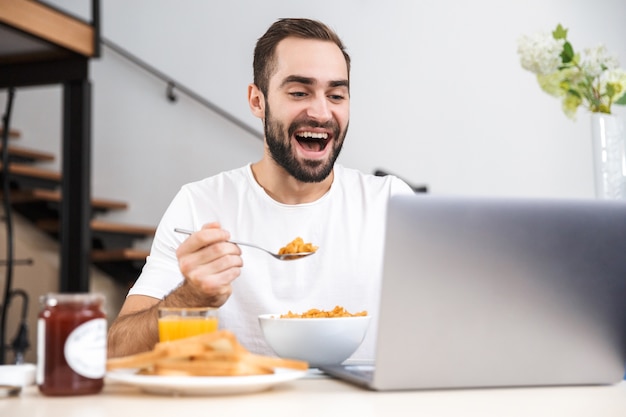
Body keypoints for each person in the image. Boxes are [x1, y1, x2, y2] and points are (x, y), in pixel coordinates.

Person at [107, 18, 414, 360]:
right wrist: (190, 296)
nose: (321, 111)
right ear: (257, 101)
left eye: (336, 95)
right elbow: (117, 350)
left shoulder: (389, 202)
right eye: (299, 92)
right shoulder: (200, 205)